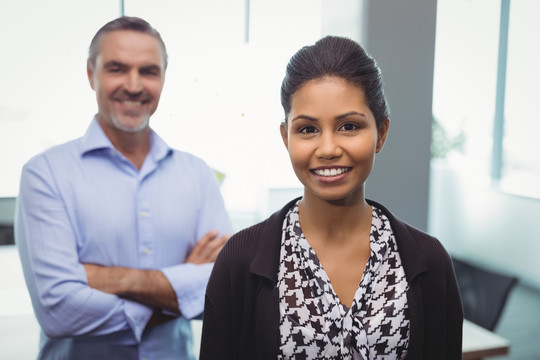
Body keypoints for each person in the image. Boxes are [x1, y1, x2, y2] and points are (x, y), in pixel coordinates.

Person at [199, 36, 463, 359]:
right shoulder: (239, 261)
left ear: (381, 133)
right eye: (308, 129)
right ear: (286, 137)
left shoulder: (429, 261)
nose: (328, 149)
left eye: (349, 126)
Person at [15, 16, 233, 360]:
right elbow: (58, 311)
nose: (134, 86)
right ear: (91, 74)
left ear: (163, 78)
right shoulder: (46, 174)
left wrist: (110, 279)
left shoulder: (197, 174)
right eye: (117, 68)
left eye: (148, 71)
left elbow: (225, 292)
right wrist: (182, 285)